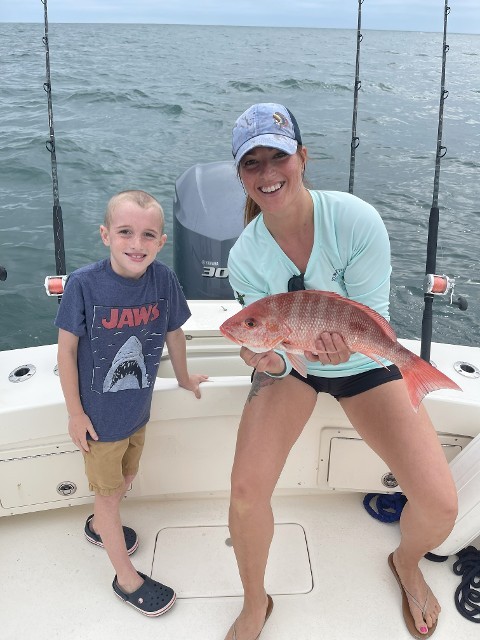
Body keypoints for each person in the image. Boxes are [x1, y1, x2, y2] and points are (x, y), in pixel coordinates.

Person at [223, 103, 457, 640]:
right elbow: (274, 346)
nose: (267, 173)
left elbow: (368, 320)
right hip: (297, 365)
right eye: (251, 163)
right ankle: (256, 601)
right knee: (244, 491)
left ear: (302, 158)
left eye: (277, 157)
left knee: (442, 505)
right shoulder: (245, 255)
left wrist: (339, 351)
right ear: (240, 176)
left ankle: (406, 561)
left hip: (363, 360)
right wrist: (266, 358)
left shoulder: (355, 220)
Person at [55, 189, 208, 616]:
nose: (136, 244)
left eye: (147, 235)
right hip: (100, 424)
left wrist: (183, 377)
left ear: (162, 242)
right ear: (106, 235)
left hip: (138, 413)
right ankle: (125, 577)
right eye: (125, 232)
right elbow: (66, 351)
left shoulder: (164, 281)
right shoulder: (84, 284)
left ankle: (98, 525)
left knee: (127, 476)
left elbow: (175, 332)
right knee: (109, 496)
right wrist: (75, 413)